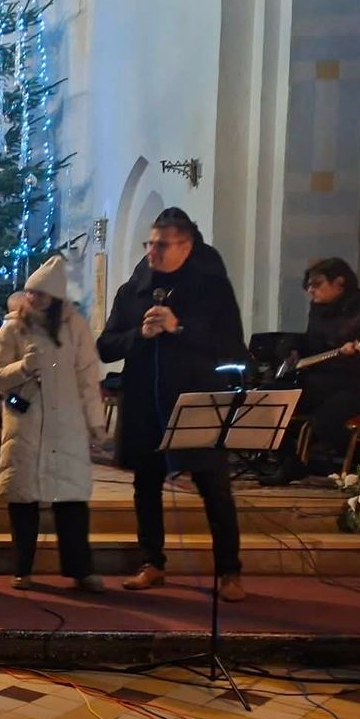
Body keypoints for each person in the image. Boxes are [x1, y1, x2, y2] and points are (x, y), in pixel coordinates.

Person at [98, 208, 248, 600]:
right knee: (146, 484)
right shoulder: (134, 289)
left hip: (196, 396)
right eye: (149, 243)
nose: (152, 251)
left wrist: (178, 328)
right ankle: (151, 562)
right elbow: (106, 345)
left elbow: (232, 347)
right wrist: (140, 334)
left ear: (186, 246)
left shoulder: (211, 288)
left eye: (161, 245)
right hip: (144, 399)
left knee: (213, 486)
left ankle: (229, 571)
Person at [0, 257, 108, 591]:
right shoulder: (13, 327)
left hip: (66, 425)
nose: (32, 299)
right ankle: (22, 568)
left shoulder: (75, 327)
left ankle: (80, 569)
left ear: (54, 298)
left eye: (39, 294)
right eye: (30, 293)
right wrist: (23, 368)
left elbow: (87, 377)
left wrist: (95, 422)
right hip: (26, 426)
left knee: (71, 501)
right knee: (23, 501)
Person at [261, 258, 360, 483]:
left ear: (339, 283)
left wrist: (348, 356)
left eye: (317, 284)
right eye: (308, 285)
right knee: (269, 399)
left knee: (326, 420)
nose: (310, 291)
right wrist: (291, 347)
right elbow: (314, 343)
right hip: (324, 381)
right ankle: (290, 462)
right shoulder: (320, 309)